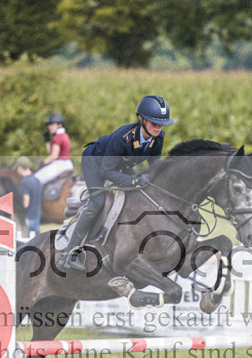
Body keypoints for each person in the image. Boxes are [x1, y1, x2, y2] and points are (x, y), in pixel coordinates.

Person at [56, 95, 174, 271]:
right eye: (154, 123)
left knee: (141, 194)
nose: (158, 127)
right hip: (96, 162)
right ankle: (69, 252)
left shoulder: (158, 137)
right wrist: (134, 180)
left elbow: (154, 165)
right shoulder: (123, 137)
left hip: (122, 164)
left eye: (161, 124)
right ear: (141, 120)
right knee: (98, 202)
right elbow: (106, 171)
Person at [35, 113, 74, 186]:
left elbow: (54, 156)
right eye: (49, 125)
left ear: (60, 125)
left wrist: (43, 162)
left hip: (59, 164)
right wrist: (47, 141)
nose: (50, 127)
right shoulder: (65, 135)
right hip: (67, 164)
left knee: (36, 179)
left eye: (52, 124)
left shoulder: (58, 137)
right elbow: (52, 152)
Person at [15, 156, 42, 237]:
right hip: (36, 217)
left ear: (20, 168)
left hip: (28, 218)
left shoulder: (24, 182)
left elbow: (26, 203)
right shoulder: (37, 180)